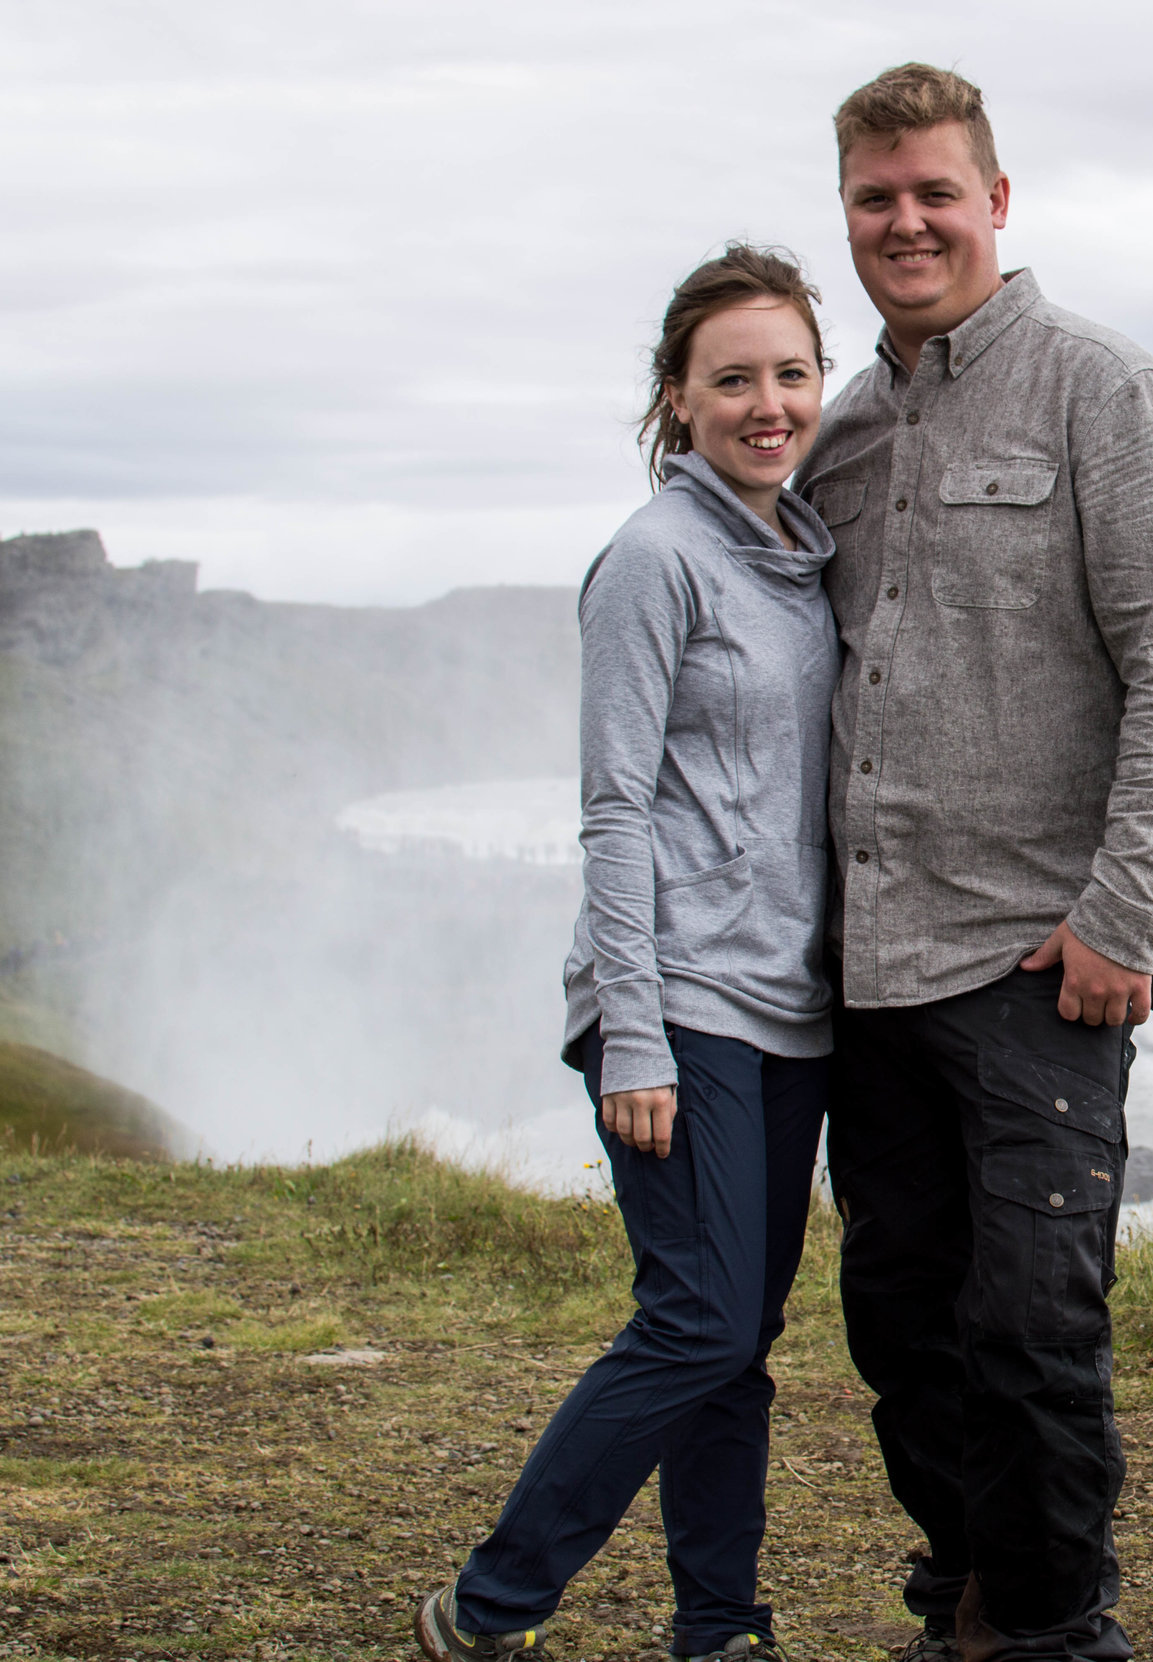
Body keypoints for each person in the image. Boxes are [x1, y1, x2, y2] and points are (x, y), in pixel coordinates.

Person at [796, 63, 1153, 1662]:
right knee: (902, 1324)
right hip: (870, 966)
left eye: (932, 191)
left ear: (996, 199)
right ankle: (964, 1598)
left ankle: (1056, 1630)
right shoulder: (840, 436)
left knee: (1034, 1326)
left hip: (1038, 964)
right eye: (872, 195)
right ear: (844, 212)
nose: (903, 221)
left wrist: (1126, 917)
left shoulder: (1103, 393)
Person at [413, 243, 840, 1662]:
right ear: (678, 398)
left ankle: (720, 1626)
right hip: (678, 1003)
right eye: (734, 378)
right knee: (701, 1324)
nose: (767, 403)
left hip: (790, 1010)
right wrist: (635, 1032)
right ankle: (491, 1602)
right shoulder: (653, 559)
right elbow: (612, 809)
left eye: (790, 373)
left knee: (735, 1349)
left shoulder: (801, 553)